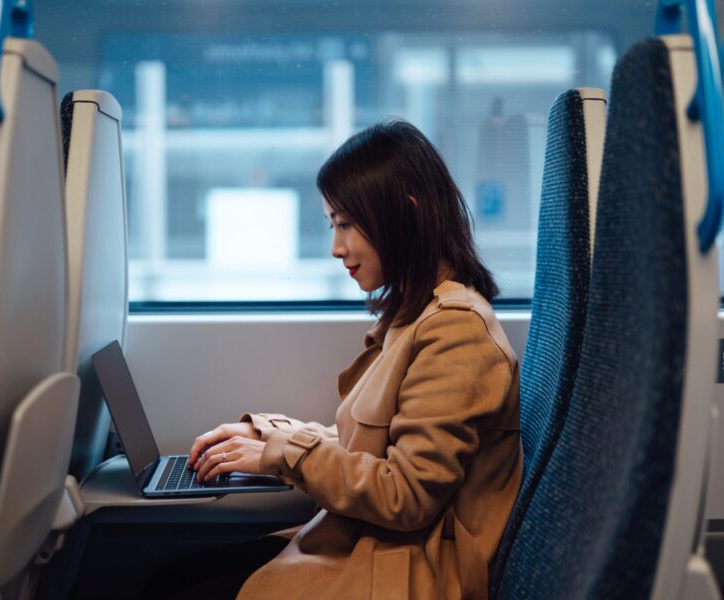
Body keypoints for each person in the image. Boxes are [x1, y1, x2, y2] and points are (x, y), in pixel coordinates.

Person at [185, 119, 522, 599]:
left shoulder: (456, 330)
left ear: (403, 214)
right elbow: (368, 447)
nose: (336, 247)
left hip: (413, 572)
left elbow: (405, 495)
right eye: (332, 225)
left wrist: (282, 454)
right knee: (184, 575)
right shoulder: (416, 314)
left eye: (346, 224)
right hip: (380, 549)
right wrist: (267, 437)